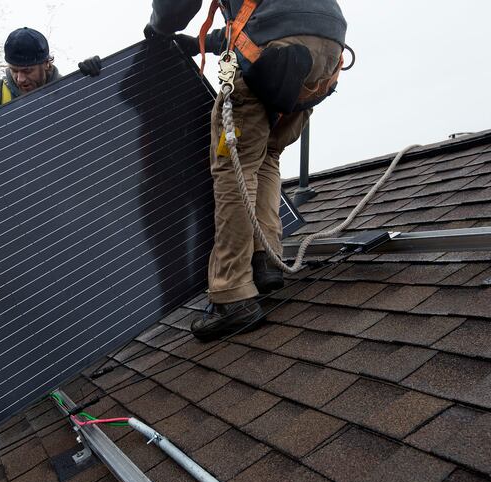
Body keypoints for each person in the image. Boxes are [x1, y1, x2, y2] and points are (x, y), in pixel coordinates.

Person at [144, 1, 347, 341]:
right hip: (326, 55)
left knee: (233, 165)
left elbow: (175, 5)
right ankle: (266, 259)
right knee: (266, 152)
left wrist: (159, 28)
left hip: (275, 51)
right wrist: (200, 44)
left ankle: (234, 293)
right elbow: (259, 20)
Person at [0, 27, 103, 127]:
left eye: (27, 71)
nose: (20, 79)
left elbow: (99, 123)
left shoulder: (69, 92)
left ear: (46, 63)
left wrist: (94, 83)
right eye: (14, 70)